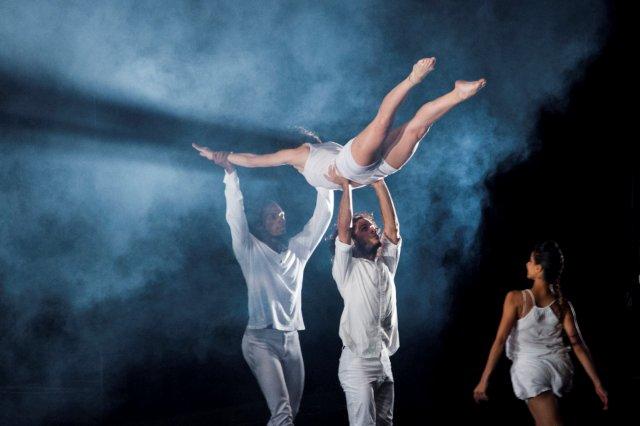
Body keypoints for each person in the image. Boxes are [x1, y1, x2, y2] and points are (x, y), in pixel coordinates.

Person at [193, 57, 486, 190]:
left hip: (369, 173)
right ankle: (413, 78)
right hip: (358, 170)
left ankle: (458, 94)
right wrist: (221, 156)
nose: (309, 133)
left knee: (417, 128)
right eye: (305, 133)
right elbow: (255, 161)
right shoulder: (298, 154)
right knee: (383, 122)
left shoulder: (319, 151)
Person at [200, 151, 334, 425]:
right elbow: (234, 215)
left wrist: (323, 178)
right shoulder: (249, 249)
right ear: (262, 223)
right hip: (260, 340)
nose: (280, 218)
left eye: (282, 214)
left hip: (292, 340)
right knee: (282, 413)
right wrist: (230, 174)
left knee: (292, 414)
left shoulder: (298, 249)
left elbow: (323, 215)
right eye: (273, 216)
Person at [473, 241, 608, 425]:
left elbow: (500, 340)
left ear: (538, 269)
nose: (526, 264)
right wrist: (597, 382)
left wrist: (484, 380)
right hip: (561, 370)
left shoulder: (516, 298)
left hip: (532, 371)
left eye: (530, 261)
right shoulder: (563, 305)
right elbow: (577, 345)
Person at [326, 166, 401, 425]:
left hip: (383, 360)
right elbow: (343, 230)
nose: (372, 229)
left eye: (371, 226)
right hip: (357, 363)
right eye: (364, 227)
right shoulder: (346, 268)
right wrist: (346, 186)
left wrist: (379, 183)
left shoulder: (386, 265)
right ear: (354, 238)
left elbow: (393, 229)